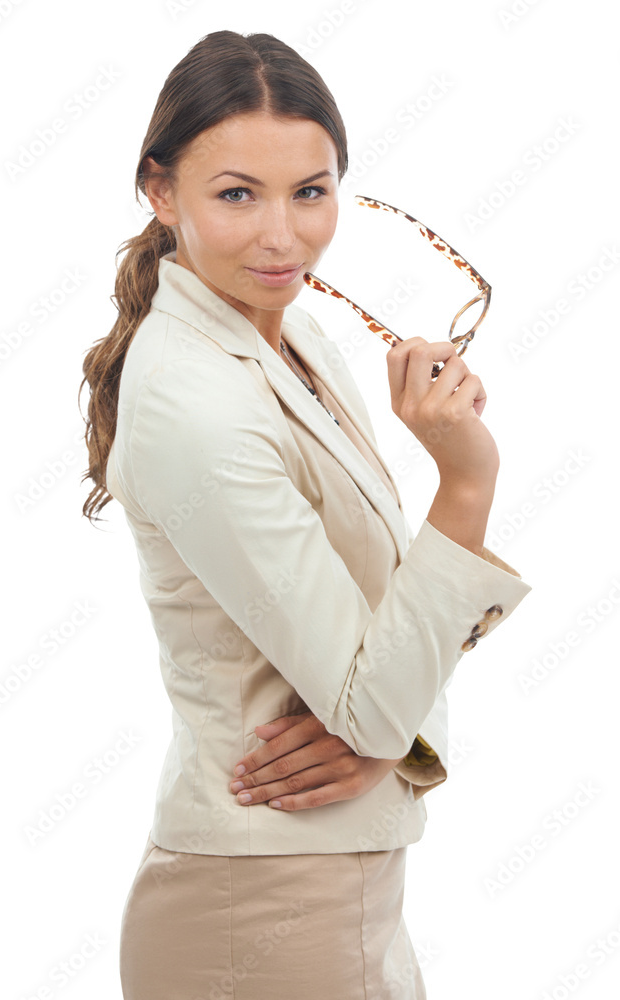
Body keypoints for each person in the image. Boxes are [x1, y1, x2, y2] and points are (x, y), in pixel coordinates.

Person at [79, 29, 532, 1000]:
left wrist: (386, 723)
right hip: (268, 907)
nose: (283, 237)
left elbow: (384, 644)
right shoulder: (193, 403)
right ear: (160, 194)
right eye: (236, 193)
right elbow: (372, 697)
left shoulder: (303, 340)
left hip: (327, 891)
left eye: (311, 191)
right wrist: (464, 480)